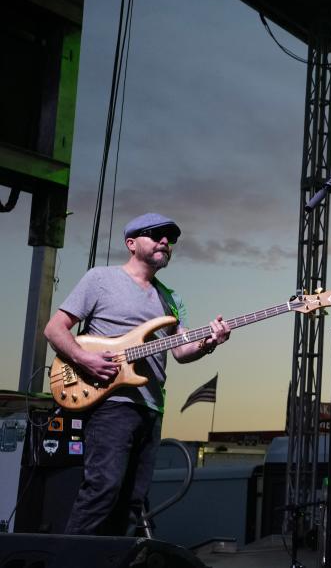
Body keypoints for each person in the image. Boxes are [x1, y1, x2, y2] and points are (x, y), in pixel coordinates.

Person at [44, 212, 231, 535]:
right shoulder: (100, 279)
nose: (165, 242)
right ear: (131, 243)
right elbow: (54, 329)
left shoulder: (172, 299)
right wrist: (84, 359)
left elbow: (181, 352)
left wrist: (209, 343)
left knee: (132, 502)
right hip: (110, 403)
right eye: (155, 234)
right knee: (102, 490)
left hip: (151, 408)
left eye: (169, 238)